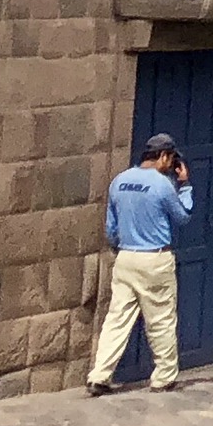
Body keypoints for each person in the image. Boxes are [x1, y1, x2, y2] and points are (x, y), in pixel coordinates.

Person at [84, 133, 193, 396]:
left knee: (117, 318)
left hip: (126, 257)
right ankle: (164, 377)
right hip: (154, 258)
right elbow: (183, 216)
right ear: (164, 156)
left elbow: (111, 228)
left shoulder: (119, 181)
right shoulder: (162, 185)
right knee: (161, 320)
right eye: (171, 159)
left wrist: (120, 247)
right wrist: (185, 185)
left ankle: (99, 376)